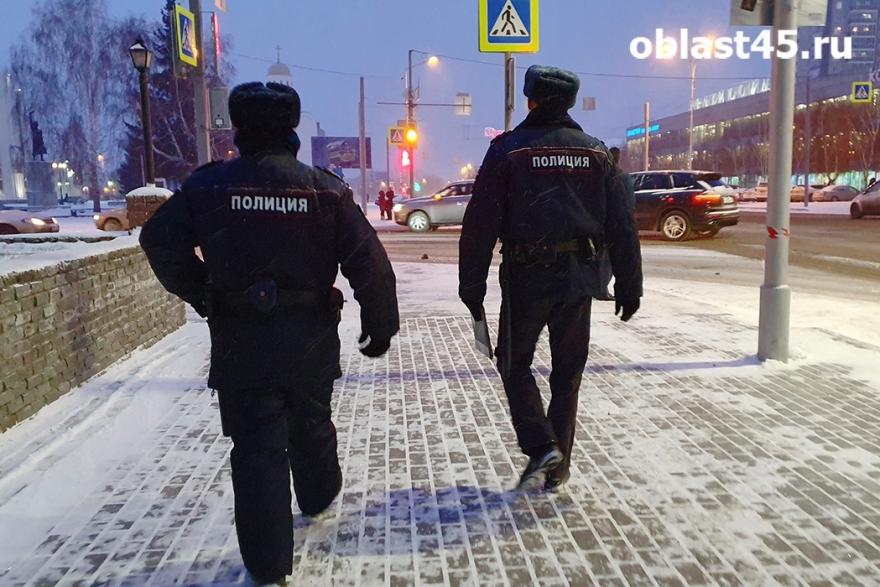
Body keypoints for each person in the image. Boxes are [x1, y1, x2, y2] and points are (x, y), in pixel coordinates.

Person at [139, 82, 399, 585]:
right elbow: (368, 260)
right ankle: (319, 495)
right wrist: (380, 324)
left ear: (240, 128)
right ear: (291, 128)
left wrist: (204, 293)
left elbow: (159, 240)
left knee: (257, 450)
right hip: (309, 336)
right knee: (311, 418)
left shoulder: (209, 187)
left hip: (242, 342)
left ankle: (269, 566)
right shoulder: (323, 189)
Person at [458, 65, 643, 492]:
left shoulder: (508, 150)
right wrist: (630, 285)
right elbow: (622, 224)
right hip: (578, 280)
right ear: (571, 102)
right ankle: (557, 467)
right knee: (567, 374)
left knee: (513, 362)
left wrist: (472, 284)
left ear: (531, 100)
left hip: (526, 279)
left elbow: (481, 222)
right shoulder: (597, 153)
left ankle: (542, 445)